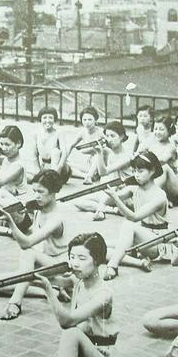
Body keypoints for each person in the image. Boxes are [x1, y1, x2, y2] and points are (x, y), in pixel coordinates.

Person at [1, 232, 119, 357]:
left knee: (71, 333)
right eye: (72, 257)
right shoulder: (78, 281)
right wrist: (33, 272)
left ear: (97, 260)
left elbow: (67, 322)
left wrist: (48, 290)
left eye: (82, 258)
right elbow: (56, 277)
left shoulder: (104, 294)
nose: (75, 263)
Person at [0, 170, 68, 320]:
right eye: (34, 191)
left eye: (41, 192)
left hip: (59, 266)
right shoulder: (40, 210)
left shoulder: (56, 219)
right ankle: (51, 290)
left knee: (28, 252)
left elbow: (26, 243)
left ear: (53, 192)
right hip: (43, 266)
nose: (36, 196)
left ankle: (15, 303)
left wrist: (11, 221)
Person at [103, 151, 169, 280]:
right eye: (134, 171)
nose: (136, 175)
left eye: (140, 171)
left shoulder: (159, 195)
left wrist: (116, 198)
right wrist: (108, 194)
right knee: (100, 245)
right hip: (141, 239)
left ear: (153, 171)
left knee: (129, 225)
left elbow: (134, 217)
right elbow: (108, 198)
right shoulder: (134, 189)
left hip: (158, 241)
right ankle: (139, 262)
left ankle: (112, 266)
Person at [75, 120, 132, 220]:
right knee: (78, 201)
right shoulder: (110, 152)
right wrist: (96, 144)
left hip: (125, 194)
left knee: (107, 193)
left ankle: (102, 210)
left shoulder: (126, 157)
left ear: (122, 136)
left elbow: (103, 172)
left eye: (113, 136)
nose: (109, 139)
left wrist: (99, 153)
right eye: (107, 136)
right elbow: (81, 150)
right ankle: (113, 210)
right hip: (111, 191)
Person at [138, 115, 178, 205]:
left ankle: (149, 197)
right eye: (156, 129)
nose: (158, 132)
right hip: (159, 183)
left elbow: (161, 161)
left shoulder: (171, 147)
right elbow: (138, 152)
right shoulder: (152, 143)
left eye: (161, 129)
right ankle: (161, 199)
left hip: (173, 186)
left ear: (169, 130)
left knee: (164, 167)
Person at [27, 107, 70, 185]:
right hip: (46, 167)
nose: (47, 120)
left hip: (60, 168)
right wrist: (38, 172)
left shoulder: (59, 133)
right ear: (40, 119)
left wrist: (59, 168)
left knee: (55, 151)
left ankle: (53, 178)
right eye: (44, 118)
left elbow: (64, 153)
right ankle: (48, 177)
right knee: (28, 175)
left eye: (50, 118)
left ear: (54, 119)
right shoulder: (36, 134)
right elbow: (34, 155)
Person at [63, 106, 104, 182]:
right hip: (90, 164)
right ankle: (86, 176)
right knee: (66, 165)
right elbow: (71, 145)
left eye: (90, 119)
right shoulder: (83, 132)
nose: (87, 122)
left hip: (101, 162)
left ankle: (90, 176)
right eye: (84, 120)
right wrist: (63, 159)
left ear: (95, 120)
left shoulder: (101, 132)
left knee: (96, 156)